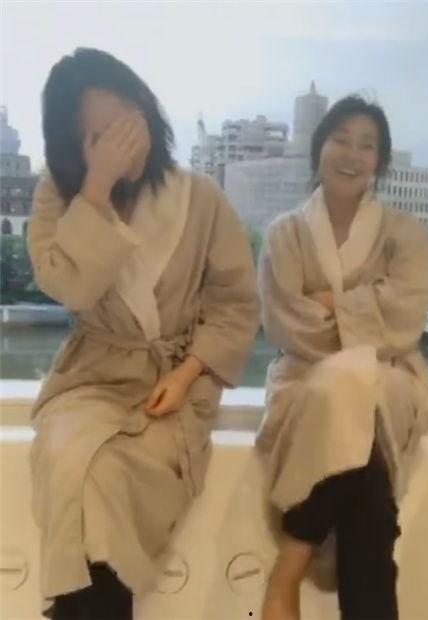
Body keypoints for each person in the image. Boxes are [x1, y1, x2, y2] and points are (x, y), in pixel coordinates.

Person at [28, 47, 260, 619]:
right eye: (99, 135)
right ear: (73, 145)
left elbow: (235, 304)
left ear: (147, 112)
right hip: (92, 378)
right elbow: (71, 289)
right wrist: (97, 188)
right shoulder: (57, 197)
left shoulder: (200, 198)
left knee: (109, 479)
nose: (122, 143)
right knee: (72, 468)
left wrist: (187, 374)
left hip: (173, 386)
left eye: (127, 122)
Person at [256, 95, 428, 620]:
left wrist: (333, 304)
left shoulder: (406, 235)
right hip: (304, 381)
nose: (352, 154)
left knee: (348, 391)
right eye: (341, 139)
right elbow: (287, 323)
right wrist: (366, 311)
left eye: (367, 145)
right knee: (368, 490)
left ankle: (288, 566)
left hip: (392, 381)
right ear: (320, 147)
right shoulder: (285, 235)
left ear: (379, 160)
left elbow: (406, 319)